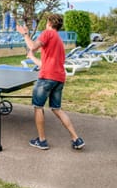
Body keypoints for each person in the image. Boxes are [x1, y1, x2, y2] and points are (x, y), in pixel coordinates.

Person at [17, 14, 85, 150]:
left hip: (47, 78)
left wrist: (25, 34)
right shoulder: (59, 41)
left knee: (38, 107)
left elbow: (33, 46)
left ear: (49, 22)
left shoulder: (48, 33)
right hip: (59, 78)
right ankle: (76, 139)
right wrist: (31, 58)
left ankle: (42, 141)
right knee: (57, 109)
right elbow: (44, 64)